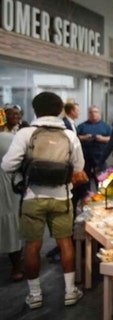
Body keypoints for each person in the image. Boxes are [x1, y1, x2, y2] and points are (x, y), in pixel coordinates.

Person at [1, 91, 84, 309]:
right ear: (60, 111)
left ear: (35, 110)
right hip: (62, 197)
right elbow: (78, 168)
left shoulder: (25, 134)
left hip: (32, 196)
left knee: (32, 246)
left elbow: (7, 165)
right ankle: (69, 292)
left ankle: (35, 295)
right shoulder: (69, 135)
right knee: (65, 241)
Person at [0, 132, 24, 282]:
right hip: (9, 186)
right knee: (12, 224)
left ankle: (17, 265)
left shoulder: (9, 138)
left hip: (8, 185)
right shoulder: (11, 138)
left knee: (10, 222)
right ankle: (16, 266)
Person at [77, 106, 111, 189]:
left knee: (101, 181)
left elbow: (111, 138)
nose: (93, 114)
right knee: (84, 182)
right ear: (88, 114)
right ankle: (85, 197)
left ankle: (101, 196)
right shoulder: (82, 126)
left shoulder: (106, 126)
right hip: (85, 158)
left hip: (100, 158)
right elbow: (75, 137)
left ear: (99, 113)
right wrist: (85, 137)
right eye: (91, 112)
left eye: (95, 112)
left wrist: (102, 139)